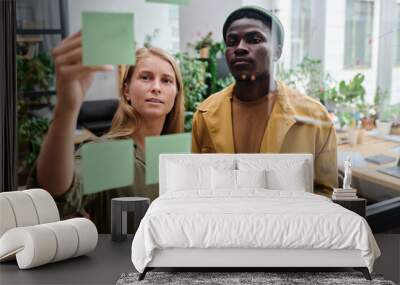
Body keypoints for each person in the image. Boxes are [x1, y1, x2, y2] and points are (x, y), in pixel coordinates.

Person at [27, 31, 185, 233]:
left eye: (166, 80)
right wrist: (67, 107)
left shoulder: (179, 156)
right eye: (145, 77)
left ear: (176, 95)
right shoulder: (111, 154)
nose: (156, 87)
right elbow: (56, 194)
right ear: (126, 90)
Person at [191, 6, 338, 195]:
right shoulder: (205, 113)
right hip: (226, 221)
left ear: (277, 52)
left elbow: (326, 192)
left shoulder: (314, 116)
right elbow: (197, 187)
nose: (240, 48)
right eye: (232, 42)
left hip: (290, 223)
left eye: (254, 39)